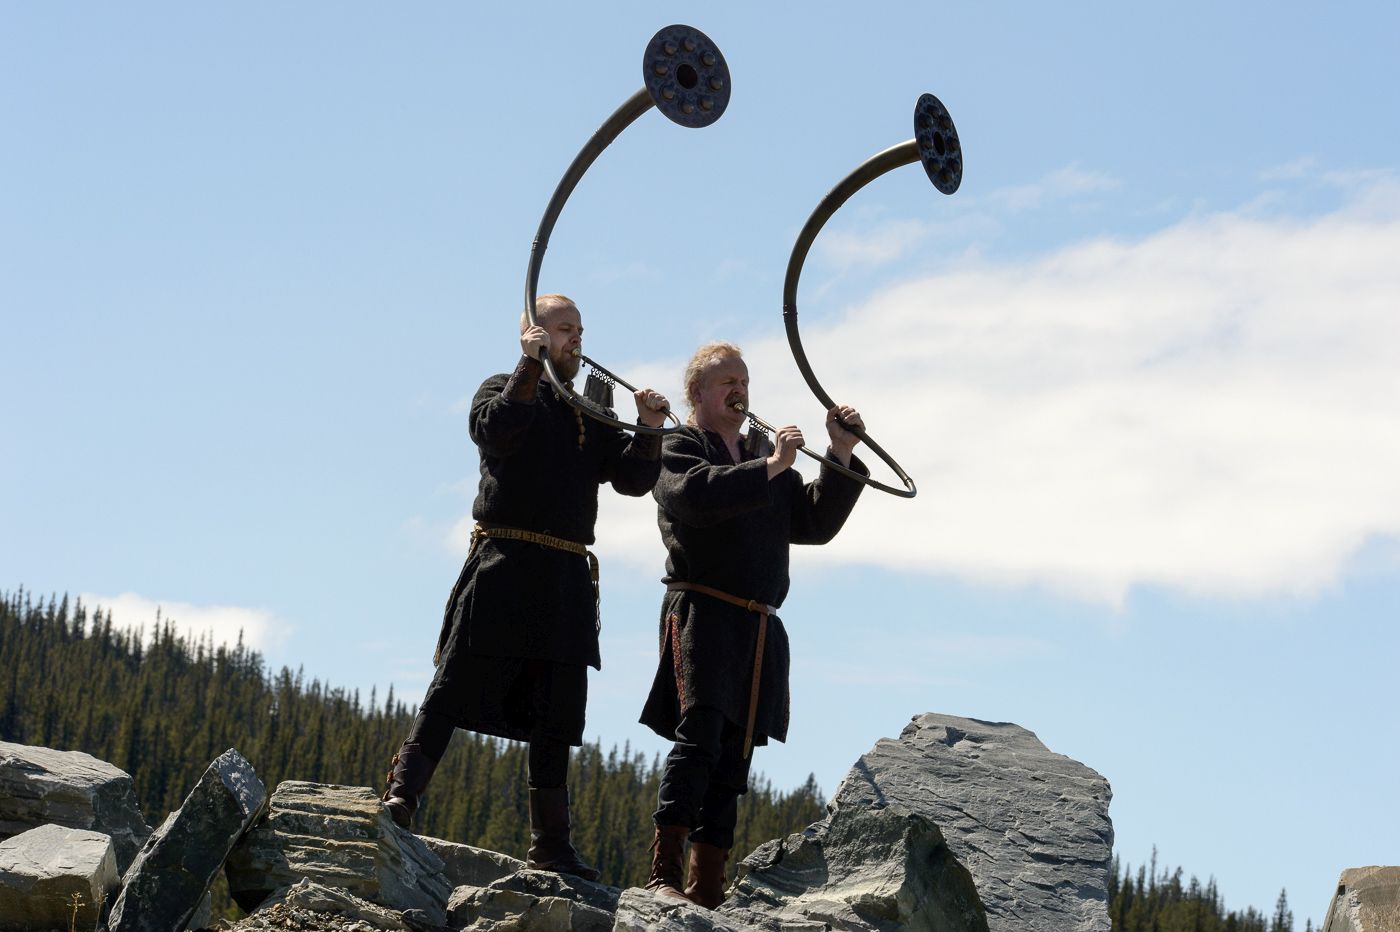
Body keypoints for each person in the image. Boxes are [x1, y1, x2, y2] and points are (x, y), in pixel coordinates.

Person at [383, 293, 670, 881]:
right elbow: (497, 433)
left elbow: (634, 481)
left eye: (579, 330)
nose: (576, 339)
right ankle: (401, 799)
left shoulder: (591, 409)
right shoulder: (502, 386)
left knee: (555, 714)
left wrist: (646, 428)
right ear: (532, 334)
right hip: (504, 561)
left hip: (564, 576)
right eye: (564, 329)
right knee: (454, 682)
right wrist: (529, 365)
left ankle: (551, 845)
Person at [639, 341, 867, 907]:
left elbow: (812, 522)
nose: (739, 391)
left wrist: (838, 454)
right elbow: (693, 497)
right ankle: (664, 872)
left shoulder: (764, 453)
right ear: (698, 394)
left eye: (744, 381)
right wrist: (769, 467)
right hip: (704, 613)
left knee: (736, 753)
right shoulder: (679, 443)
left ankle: (707, 886)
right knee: (700, 738)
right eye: (726, 383)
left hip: (758, 626)